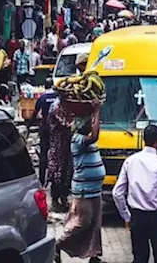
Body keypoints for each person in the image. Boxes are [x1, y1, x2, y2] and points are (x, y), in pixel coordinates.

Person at [113, 125, 157, 263]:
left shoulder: (130, 161)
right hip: (156, 218)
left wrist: (126, 216)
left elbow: (117, 193)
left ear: (143, 140)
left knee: (139, 257)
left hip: (137, 216)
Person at [55, 102, 105, 263]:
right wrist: (97, 111)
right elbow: (95, 135)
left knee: (95, 224)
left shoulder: (85, 139)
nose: (91, 125)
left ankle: (94, 255)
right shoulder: (77, 140)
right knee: (82, 222)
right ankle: (57, 244)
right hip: (83, 190)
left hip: (94, 189)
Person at [47, 98, 75, 212]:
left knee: (67, 172)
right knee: (56, 173)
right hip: (58, 145)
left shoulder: (70, 106)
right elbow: (66, 123)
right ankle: (55, 200)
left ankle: (63, 198)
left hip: (67, 145)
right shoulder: (57, 107)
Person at [30, 79, 58, 185]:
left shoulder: (42, 98)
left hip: (45, 128)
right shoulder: (57, 98)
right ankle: (55, 180)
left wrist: (29, 125)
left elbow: (35, 112)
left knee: (43, 155)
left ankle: (42, 180)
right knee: (56, 155)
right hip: (55, 130)